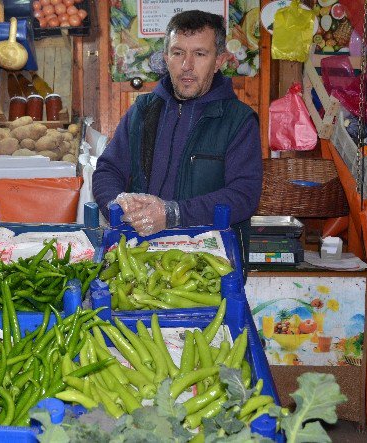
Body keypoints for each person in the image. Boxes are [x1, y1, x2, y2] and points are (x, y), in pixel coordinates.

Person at [92, 9, 262, 266]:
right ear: (166, 57)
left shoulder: (239, 121)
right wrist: (117, 203)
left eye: (200, 54)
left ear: (218, 61)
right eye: (178, 53)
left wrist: (174, 214)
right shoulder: (142, 110)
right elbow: (107, 169)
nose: (187, 66)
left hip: (209, 265)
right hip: (141, 259)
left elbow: (243, 195)